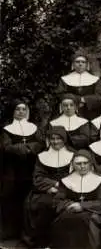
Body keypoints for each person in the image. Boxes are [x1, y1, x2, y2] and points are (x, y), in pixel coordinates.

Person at [22, 126, 74, 248]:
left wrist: (60, 186)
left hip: (67, 190)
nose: (55, 142)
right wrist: (51, 185)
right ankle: (43, 242)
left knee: (60, 206)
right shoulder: (42, 156)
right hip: (44, 190)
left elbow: (75, 176)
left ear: (65, 140)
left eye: (59, 139)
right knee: (43, 204)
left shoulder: (73, 155)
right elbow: (38, 177)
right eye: (52, 139)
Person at [0, 100, 44, 240]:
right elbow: (5, 147)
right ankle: (10, 231)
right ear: (13, 111)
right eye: (18, 109)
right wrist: (22, 148)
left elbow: (40, 144)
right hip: (12, 170)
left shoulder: (34, 127)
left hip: (30, 169)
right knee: (11, 199)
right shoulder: (6, 129)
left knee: (29, 200)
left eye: (23, 109)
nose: (21, 112)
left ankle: (27, 233)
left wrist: (29, 148)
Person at [51, 150, 101, 249]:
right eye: (78, 163)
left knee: (83, 220)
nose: (82, 166)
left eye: (85, 163)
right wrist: (69, 205)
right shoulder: (66, 180)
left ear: (90, 164)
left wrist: (82, 206)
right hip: (70, 210)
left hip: (92, 213)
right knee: (63, 219)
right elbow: (57, 201)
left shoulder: (100, 180)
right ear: (73, 165)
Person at [55, 54, 101, 120]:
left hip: (90, 111)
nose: (80, 64)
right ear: (73, 64)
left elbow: (100, 96)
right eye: (77, 62)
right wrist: (77, 100)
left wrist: (84, 100)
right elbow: (60, 94)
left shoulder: (95, 79)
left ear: (87, 65)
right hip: (70, 109)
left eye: (83, 62)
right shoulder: (64, 79)